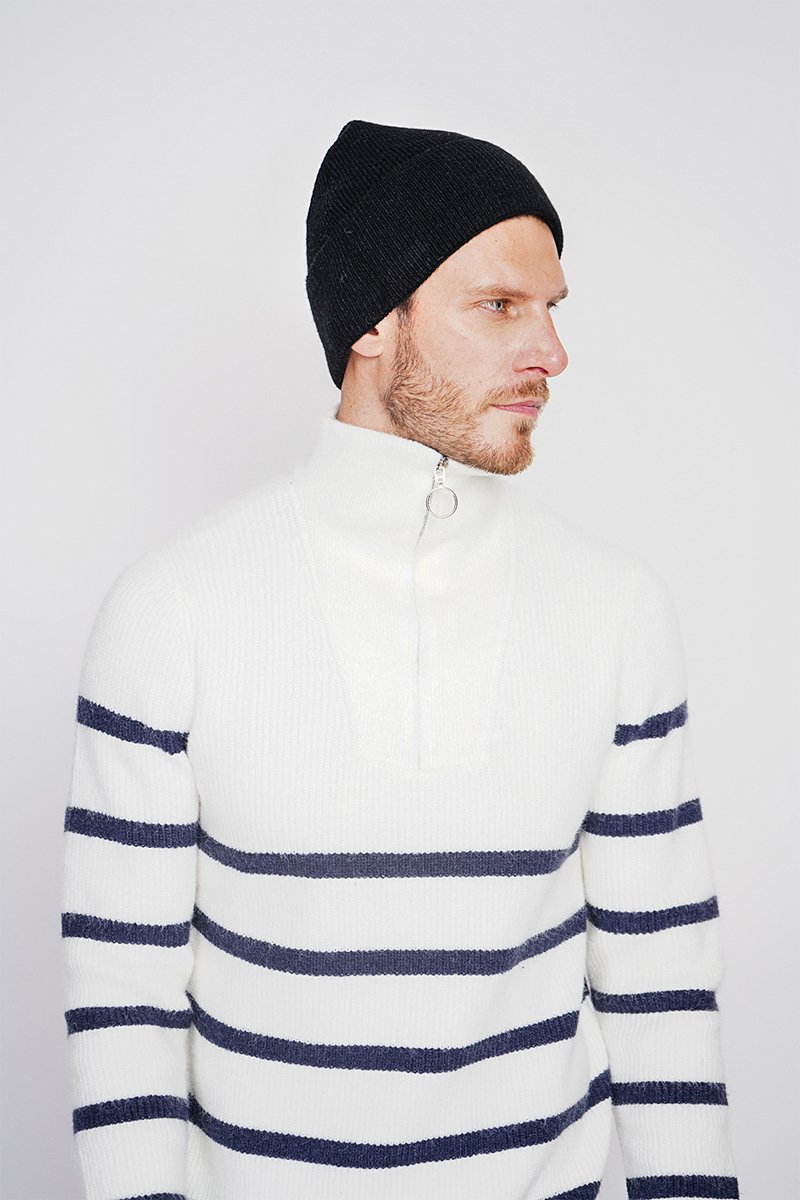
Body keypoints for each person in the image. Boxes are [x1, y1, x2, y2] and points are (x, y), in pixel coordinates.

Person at [61, 118, 740, 1200]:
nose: (550, 353)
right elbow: (122, 998)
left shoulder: (616, 612)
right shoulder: (171, 613)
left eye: (551, 308)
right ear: (374, 320)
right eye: (498, 306)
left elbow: (660, 983)